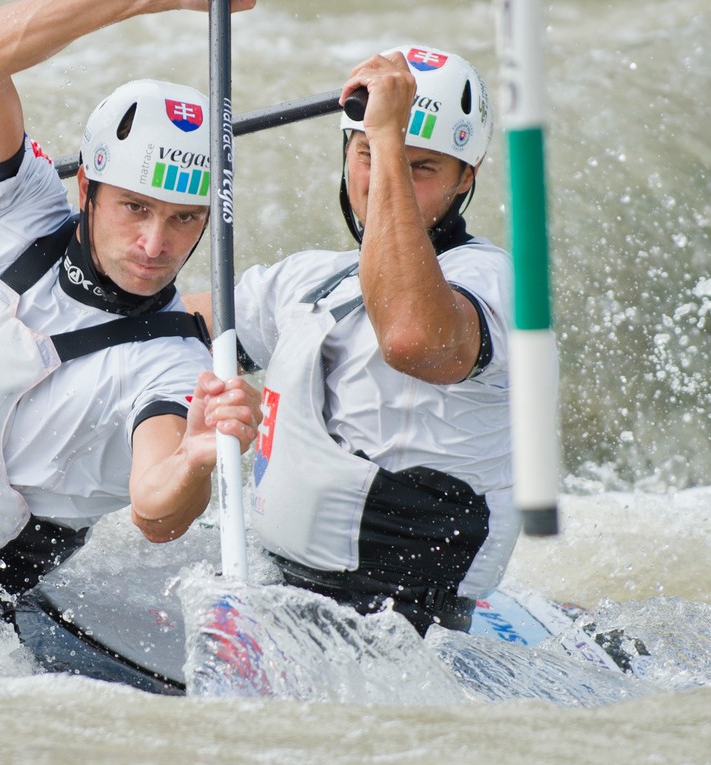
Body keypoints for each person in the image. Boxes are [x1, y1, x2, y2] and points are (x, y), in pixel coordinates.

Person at [0, 0, 261, 619]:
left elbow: (155, 512)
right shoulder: (11, 209)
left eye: (184, 219)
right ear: (87, 187)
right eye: (134, 208)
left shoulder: (170, 365)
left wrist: (195, 459)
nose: (156, 245)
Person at [186, 45, 519, 635]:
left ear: (467, 176)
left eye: (424, 168)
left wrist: (387, 137)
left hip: (402, 619)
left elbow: (412, 337)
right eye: (365, 156)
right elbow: (168, 324)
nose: (385, 181)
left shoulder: (491, 280)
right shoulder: (315, 277)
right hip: (279, 583)